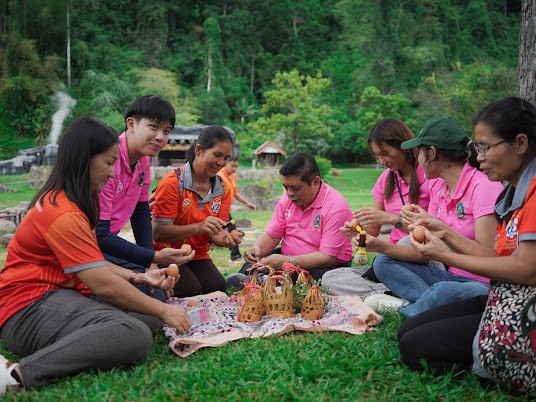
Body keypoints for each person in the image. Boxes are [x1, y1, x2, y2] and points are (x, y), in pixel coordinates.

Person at [0, 117, 193, 396]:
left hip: (57, 296)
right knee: (135, 334)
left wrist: (138, 276)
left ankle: (82, 340)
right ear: (84, 160)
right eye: (108, 163)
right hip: (27, 309)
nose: (113, 173)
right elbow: (102, 283)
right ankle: (16, 374)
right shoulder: (63, 213)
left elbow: (93, 263)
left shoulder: (72, 201)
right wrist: (167, 310)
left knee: (148, 315)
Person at [398, 97, 536, 392]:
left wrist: (441, 252)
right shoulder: (514, 193)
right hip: (502, 294)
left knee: (414, 346)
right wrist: (444, 233)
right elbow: (496, 255)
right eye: (478, 147)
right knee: (407, 331)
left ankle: (495, 361)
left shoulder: (528, 191)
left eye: (485, 147)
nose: (479, 156)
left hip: (521, 305)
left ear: (520, 143)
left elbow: (525, 270)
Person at [360, 116, 504, 316]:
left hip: (482, 284)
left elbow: (492, 257)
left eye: (419, 152)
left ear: (432, 153)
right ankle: (426, 304)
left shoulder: (483, 187)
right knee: (383, 262)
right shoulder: (439, 189)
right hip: (448, 275)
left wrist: (442, 232)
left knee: (443, 292)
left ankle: (404, 308)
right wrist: (379, 246)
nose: (417, 159)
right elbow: (426, 252)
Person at [322, 118, 433, 295]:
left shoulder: (429, 175)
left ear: (403, 145)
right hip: (392, 259)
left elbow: (434, 233)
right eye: (377, 155)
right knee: (330, 279)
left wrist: (392, 219)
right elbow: (372, 229)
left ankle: (396, 292)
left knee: (406, 241)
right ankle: (391, 293)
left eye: (385, 153)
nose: (382, 161)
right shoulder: (386, 179)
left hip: (424, 256)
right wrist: (357, 230)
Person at [97, 95, 190, 302]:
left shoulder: (143, 161)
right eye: (153, 127)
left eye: (166, 131)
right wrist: (152, 257)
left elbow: (140, 212)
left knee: (158, 283)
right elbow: (99, 235)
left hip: (106, 243)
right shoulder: (107, 160)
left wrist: (150, 263)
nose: (160, 137)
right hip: (90, 245)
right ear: (131, 124)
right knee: (153, 292)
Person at [225, 152, 353, 289]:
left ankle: (262, 283)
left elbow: (327, 258)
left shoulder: (336, 207)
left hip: (323, 266)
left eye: (295, 188)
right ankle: (261, 281)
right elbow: (272, 235)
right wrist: (257, 249)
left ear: (315, 182)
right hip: (288, 257)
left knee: (305, 277)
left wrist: (288, 261)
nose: (289, 193)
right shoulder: (288, 198)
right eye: (285, 187)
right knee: (254, 264)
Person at [152, 125, 239, 297]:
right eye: (217, 155)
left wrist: (228, 239)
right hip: (166, 252)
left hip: (197, 254)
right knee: (189, 289)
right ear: (199, 150)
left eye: (226, 158)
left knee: (216, 286)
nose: (221, 163)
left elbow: (218, 232)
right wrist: (199, 227)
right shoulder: (173, 183)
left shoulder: (223, 187)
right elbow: (158, 233)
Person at [218, 155, 257, 262]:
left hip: (226, 210)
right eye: (232, 166)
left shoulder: (232, 177)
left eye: (236, 167)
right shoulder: (219, 177)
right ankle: (235, 255)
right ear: (226, 164)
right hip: (218, 210)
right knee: (231, 228)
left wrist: (247, 203)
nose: (234, 169)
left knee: (230, 228)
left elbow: (235, 193)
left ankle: (234, 254)